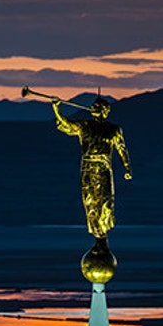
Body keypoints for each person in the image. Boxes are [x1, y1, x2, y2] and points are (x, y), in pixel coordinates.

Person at [53, 97, 132, 243]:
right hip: (88, 167)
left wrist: (127, 168)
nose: (100, 111)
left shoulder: (113, 129)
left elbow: (122, 149)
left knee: (105, 200)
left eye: (103, 109)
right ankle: (97, 232)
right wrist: (56, 109)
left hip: (103, 167)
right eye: (97, 108)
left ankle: (103, 231)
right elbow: (66, 124)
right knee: (90, 201)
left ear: (107, 111)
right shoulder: (85, 126)